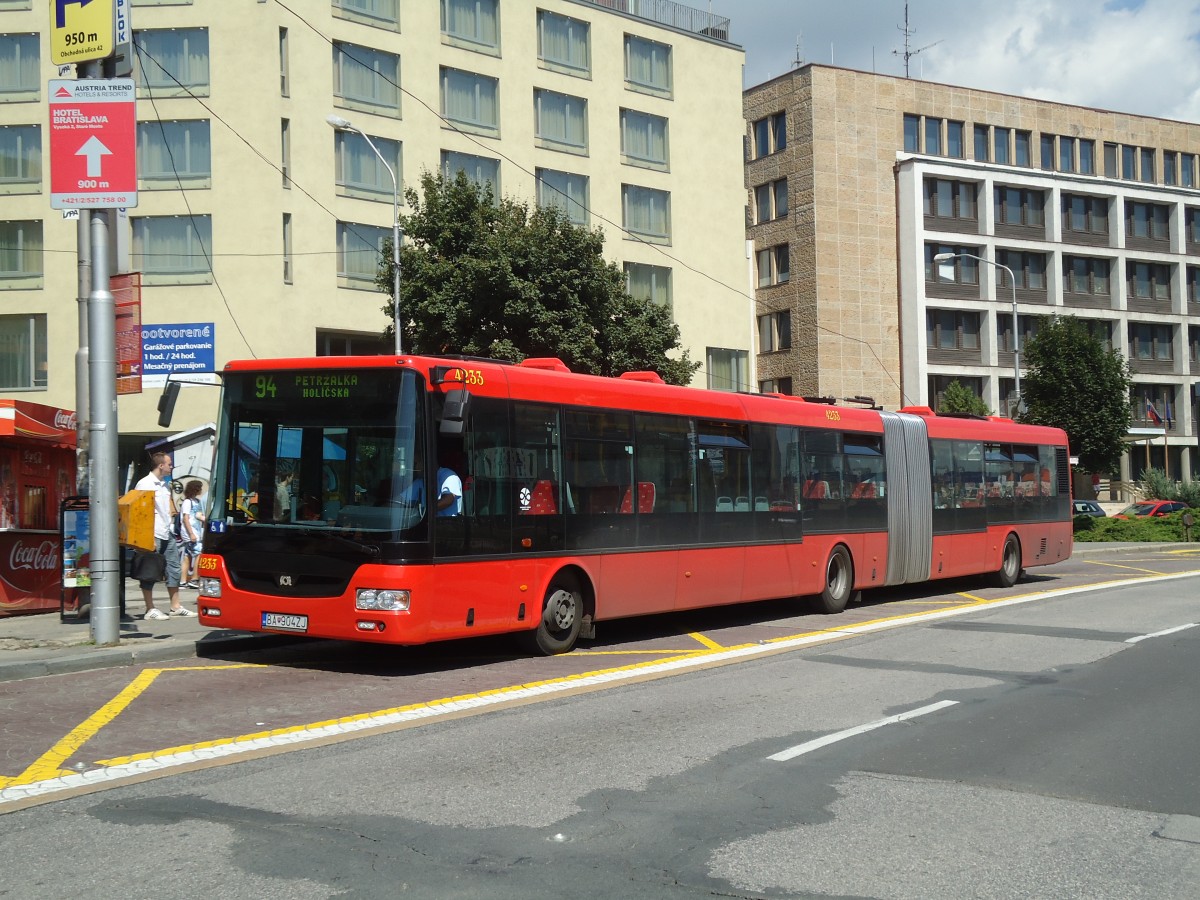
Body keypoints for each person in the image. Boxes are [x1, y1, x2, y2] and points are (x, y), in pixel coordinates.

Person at [134, 451, 194, 619]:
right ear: (161, 466)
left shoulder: (164, 484)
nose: (171, 466)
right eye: (169, 464)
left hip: (167, 532)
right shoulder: (145, 483)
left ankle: (175, 606)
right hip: (151, 533)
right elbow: (139, 511)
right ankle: (150, 608)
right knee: (149, 570)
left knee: (174, 567)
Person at [180, 479, 206, 588]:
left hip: (194, 532)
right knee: (199, 553)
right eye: (200, 488)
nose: (201, 490)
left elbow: (198, 515)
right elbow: (185, 518)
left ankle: (183, 581)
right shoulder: (188, 502)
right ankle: (194, 579)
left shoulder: (196, 501)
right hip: (191, 533)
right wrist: (191, 534)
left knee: (187, 556)